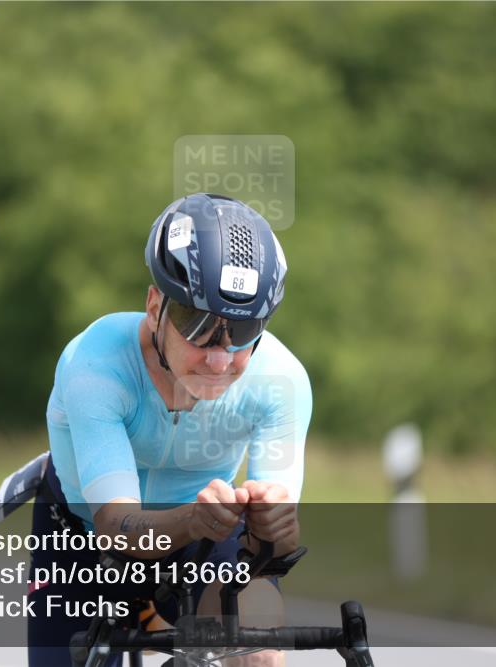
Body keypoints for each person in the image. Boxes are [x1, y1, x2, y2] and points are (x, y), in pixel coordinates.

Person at [28, 193, 312, 666]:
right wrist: (191, 519)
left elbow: (270, 558)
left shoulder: (282, 381)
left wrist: (273, 532)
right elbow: (116, 527)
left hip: (204, 535)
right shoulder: (95, 364)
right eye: (197, 324)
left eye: (242, 332)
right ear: (155, 305)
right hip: (83, 535)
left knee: (259, 643)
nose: (220, 357)